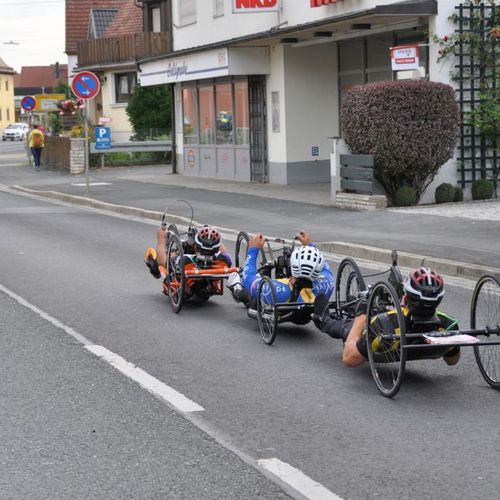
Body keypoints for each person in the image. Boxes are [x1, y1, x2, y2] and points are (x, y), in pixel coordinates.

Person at [313, 267, 461, 367]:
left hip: (382, 339)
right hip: (410, 338)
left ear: (406, 298)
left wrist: (361, 316)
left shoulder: (383, 323)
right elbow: (452, 360)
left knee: (347, 325)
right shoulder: (449, 324)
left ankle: (324, 320)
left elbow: (348, 359)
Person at [229, 231, 334, 320]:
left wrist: (253, 250)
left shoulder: (275, 290)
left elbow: (248, 278)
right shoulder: (327, 285)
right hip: (305, 314)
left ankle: (236, 287)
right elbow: (324, 267)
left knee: (249, 293)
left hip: (281, 303)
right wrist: (309, 246)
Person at [144, 224, 232, 301]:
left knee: (164, 261)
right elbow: (222, 250)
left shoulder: (185, 260)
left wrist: (161, 239)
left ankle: (153, 267)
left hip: (188, 288)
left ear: (196, 246)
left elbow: (163, 261)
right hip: (208, 286)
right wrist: (211, 233)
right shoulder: (225, 259)